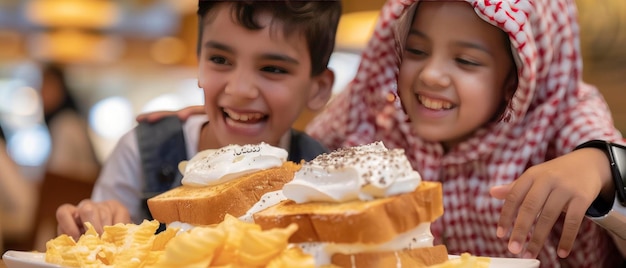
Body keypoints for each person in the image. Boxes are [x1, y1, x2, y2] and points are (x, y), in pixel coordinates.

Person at [303, 0, 624, 267]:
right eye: (416, 51)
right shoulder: (370, 106)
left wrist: (597, 164)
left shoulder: (562, 114)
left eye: (465, 61)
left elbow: (607, 156)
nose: (431, 75)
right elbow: (301, 167)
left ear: (517, 77)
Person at [55, 0, 341, 241]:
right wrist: (89, 226)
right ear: (199, 60)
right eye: (220, 60)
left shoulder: (328, 176)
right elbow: (97, 242)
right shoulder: (142, 151)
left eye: (273, 68)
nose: (239, 90)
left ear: (317, 89)